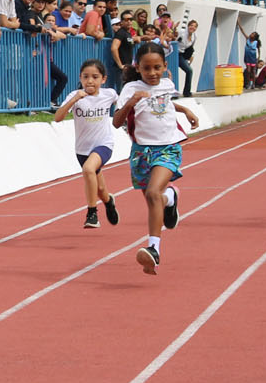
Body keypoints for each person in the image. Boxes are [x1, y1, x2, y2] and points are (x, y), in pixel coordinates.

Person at [112, 42, 199, 275]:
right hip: (141, 152)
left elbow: (165, 102)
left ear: (165, 66)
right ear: (138, 68)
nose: (152, 73)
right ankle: (170, 198)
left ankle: (153, 249)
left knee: (152, 193)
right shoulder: (131, 88)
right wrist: (131, 102)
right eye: (147, 68)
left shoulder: (168, 84)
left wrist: (186, 111)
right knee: (156, 200)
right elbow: (117, 121)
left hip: (168, 148)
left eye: (157, 67)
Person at [54, 59, 121, 229]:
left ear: (103, 79)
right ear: (80, 78)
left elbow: (122, 106)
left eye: (95, 77)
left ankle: (92, 213)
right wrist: (75, 99)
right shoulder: (74, 96)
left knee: (89, 169)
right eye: (86, 77)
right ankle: (108, 201)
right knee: (98, 188)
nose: (90, 81)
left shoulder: (110, 94)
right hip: (82, 149)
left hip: (104, 144)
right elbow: (58, 118)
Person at [177, 18, 197, 96]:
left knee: (189, 71)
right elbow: (174, 38)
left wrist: (189, 60)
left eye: (195, 26)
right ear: (188, 26)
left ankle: (186, 91)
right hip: (176, 53)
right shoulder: (181, 33)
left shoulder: (194, 37)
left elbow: (191, 48)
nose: (193, 27)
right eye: (191, 25)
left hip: (183, 55)